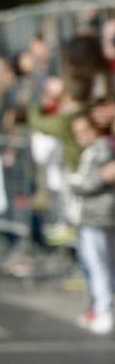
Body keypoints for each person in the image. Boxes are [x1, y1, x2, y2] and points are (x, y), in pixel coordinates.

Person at [69, 113, 115, 335]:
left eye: (84, 132)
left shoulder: (99, 151)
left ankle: (103, 310)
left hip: (99, 216)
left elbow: (90, 181)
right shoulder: (95, 151)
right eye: (77, 133)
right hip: (96, 216)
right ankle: (101, 309)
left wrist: (73, 182)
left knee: (99, 267)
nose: (80, 137)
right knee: (99, 266)